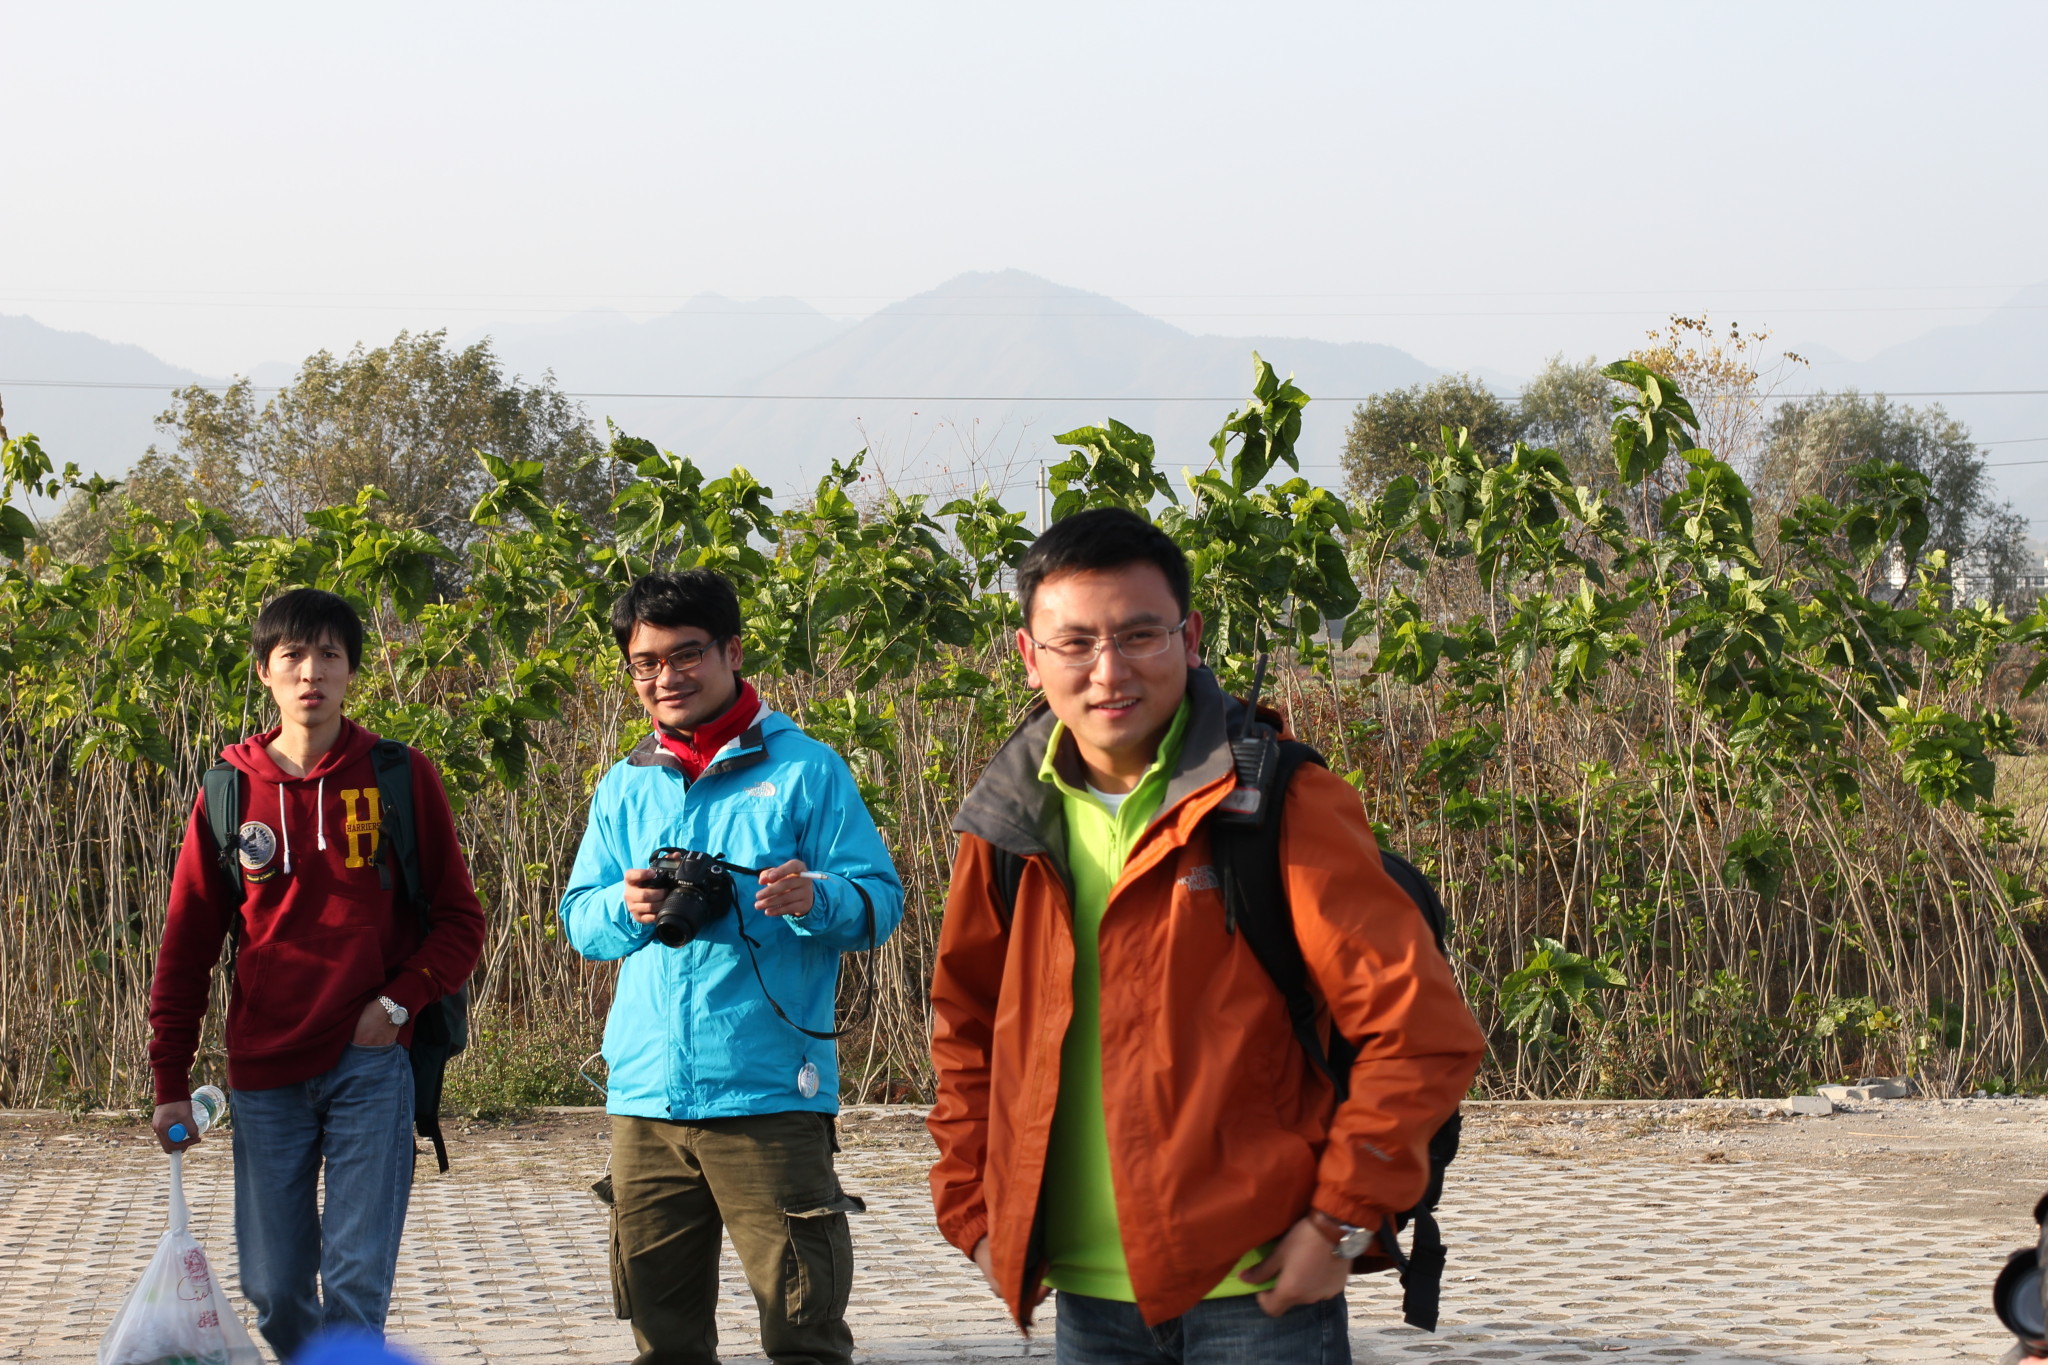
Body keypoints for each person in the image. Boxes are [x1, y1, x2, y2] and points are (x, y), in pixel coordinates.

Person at [927, 508, 1486, 1364]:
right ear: (1030, 656)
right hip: (1083, 1298)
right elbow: (965, 1026)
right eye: (1075, 643)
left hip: (1259, 1294)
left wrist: (1341, 1221)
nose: (1109, 670)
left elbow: (1418, 1031)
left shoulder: (1281, 802)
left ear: (1188, 638)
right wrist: (972, 1210)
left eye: (1138, 634)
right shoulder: (1009, 817)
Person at [561, 568, 905, 1365]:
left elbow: (881, 902)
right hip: (645, 1098)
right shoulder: (624, 783)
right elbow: (580, 920)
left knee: (803, 1332)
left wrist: (816, 896)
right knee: (663, 1339)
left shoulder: (807, 770)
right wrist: (626, 906)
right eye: (645, 662)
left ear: (733, 651)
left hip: (770, 1093)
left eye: (687, 654)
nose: (666, 677)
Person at [148, 587, 486, 1361]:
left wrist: (396, 1005)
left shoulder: (400, 774)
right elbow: (187, 946)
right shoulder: (228, 790)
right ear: (264, 671)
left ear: (351, 671)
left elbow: (461, 919)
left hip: (371, 1062)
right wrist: (170, 1078)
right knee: (274, 1287)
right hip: (264, 1071)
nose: (312, 672)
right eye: (293, 655)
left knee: (356, 1279)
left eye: (330, 655)